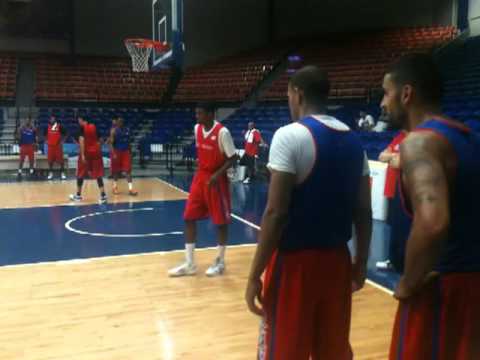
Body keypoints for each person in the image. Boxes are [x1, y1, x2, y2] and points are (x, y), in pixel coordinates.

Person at [245, 66, 372, 359]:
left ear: (297, 94)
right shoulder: (355, 141)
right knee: (332, 350)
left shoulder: (289, 135)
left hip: (294, 265)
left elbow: (275, 213)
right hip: (337, 262)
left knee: (285, 350)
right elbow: (363, 212)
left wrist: (254, 275)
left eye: (289, 94)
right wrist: (361, 263)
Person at [381, 53, 480, 359]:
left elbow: (432, 222)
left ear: (406, 94)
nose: (383, 103)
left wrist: (408, 282)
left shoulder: (419, 142)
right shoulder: (467, 137)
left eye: (386, 93)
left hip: (442, 291)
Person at [168, 103, 237, 277]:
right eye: (196, 112)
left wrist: (217, 174)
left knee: (220, 222)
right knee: (189, 217)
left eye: (200, 113)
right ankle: (190, 263)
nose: (196, 116)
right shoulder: (197, 128)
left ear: (211, 113)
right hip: (200, 178)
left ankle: (220, 261)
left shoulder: (223, 132)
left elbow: (233, 158)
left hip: (217, 180)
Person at [375, 129, 408, 271]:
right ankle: (394, 260)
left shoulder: (413, 139)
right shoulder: (399, 136)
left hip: (403, 189)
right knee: (394, 227)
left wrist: (394, 157)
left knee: (403, 228)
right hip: (392, 189)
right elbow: (381, 156)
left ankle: (403, 263)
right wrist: (394, 156)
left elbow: (400, 162)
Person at [69, 116, 107, 204]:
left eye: (79, 120)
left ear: (82, 120)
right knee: (98, 174)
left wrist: (82, 155)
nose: (79, 122)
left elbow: (81, 141)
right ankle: (103, 195)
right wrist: (97, 147)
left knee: (81, 173)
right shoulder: (94, 127)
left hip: (86, 153)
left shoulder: (82, 128)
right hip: (96, 152)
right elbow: (101, 140)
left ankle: (78, 195)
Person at [109, 117, 137, 196]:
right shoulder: (113, 131)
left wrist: (130, 152)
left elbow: (129, 143)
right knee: (116, 171)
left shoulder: (127, 130)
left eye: (122, 121)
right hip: (117, 152)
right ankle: (114, 187)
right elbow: (111, 143)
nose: (121, 122)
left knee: (128, 171)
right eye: (119, 121)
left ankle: (131, 189)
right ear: (117, 122)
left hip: (126, 152)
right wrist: (113, 153)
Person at [45, 115, 67, 180]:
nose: (52, 120)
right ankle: (51, 173)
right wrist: (46, 140)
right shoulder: (47, 127)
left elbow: (66, 134)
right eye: (51, 119)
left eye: (53, 119)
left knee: (61, 161)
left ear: (55, 120)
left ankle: (62, 173)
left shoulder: (59, 126)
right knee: (50, 161)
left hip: (58, 146)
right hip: (50, 146)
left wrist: (62, 141)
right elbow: (43, 135)